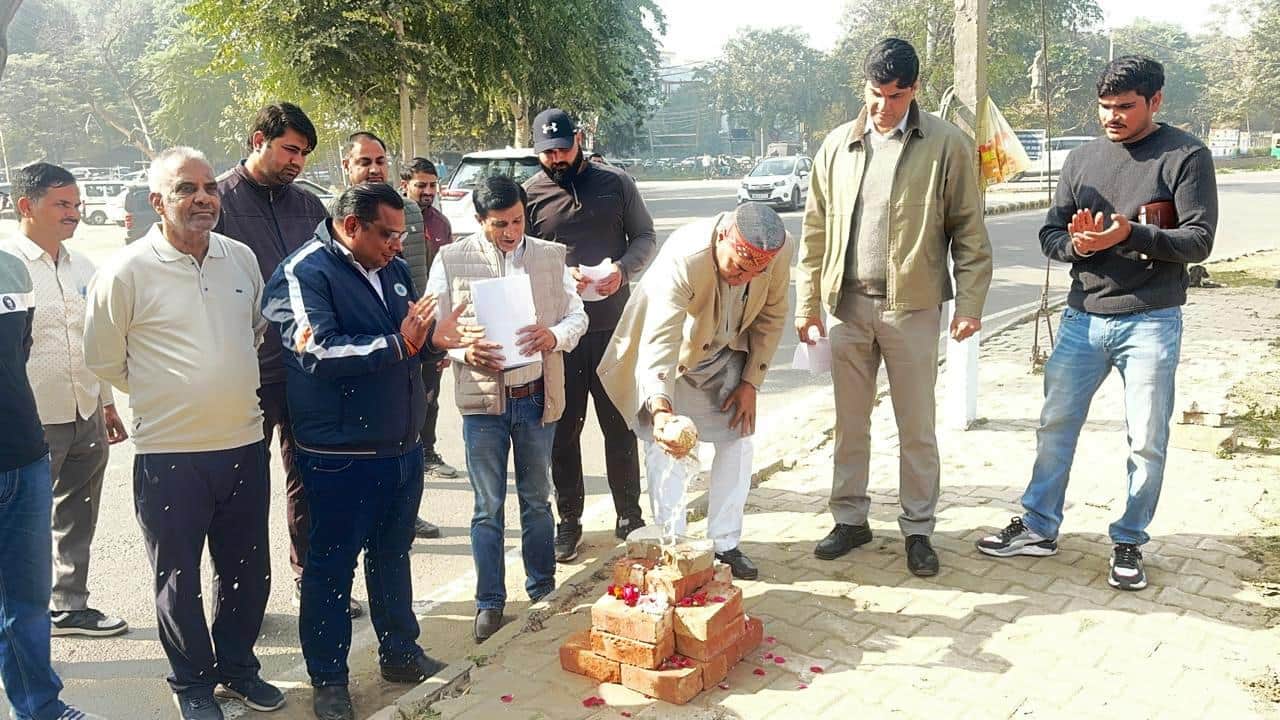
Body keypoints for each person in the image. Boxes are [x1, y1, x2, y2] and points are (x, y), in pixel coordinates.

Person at [976, 56, 1217, 591]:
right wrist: (1078, 245)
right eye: (1105, 107)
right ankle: (1039, 526)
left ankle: (1129, 538)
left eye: (1125, 107)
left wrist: (1128, 234)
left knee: (1146, 439)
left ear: (1155, 101)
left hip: (1152, 319)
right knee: (1055, 427)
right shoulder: (1082, 160)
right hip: (1083, 317)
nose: (1112, 117)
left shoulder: (1185, 155)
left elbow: (1199, 241)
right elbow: (1050, 234)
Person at [84, 147, 282, 720]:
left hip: (244, 442)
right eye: (185, 189)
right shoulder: (124, 271)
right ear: (157, 202)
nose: (202, 198)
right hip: (169, 453)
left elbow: (257, 333)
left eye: (208, 188)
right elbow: (105, 359)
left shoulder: (240, 258)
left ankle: (239, 670)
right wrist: (168, 393)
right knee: (178, 576)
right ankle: (192, 682)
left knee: (247, 570)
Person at [797, 38, 992, 577]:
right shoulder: (837, 145)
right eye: (875, 94)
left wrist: (970, 304)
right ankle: (850, 519)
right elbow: (815, 231)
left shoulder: (947, 145)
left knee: (916, 426)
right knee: (849, 423)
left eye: (896, 95)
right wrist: (807, 301)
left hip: (913, 308)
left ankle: (919, 528)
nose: (884, 106)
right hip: (847, 308)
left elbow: (970, 234)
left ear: (916, 90)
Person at [264, 183, 458, 720]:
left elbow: (410, 336)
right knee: (331, 568)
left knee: (393, 555)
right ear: (351, 227)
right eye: (388, 234)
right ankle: (329, 678)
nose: (399, 245)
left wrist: (433, 349)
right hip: (339, 454)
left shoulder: (392, 268)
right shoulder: (305, 272)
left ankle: (400, 652)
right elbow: (316, 350)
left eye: (401, 234)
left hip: (400, 446)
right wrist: (401, 345)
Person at [428, 174, 587, 642]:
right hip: (483, 404)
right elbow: (437, 329)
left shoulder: (548, 256)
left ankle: (542, 590)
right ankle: (490, 602)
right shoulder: (452, 260)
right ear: (479, 221)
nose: (511, 231)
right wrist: (462, 352)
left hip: (534, 396)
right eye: (500, 224)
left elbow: (578, 314)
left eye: (517, 220)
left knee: (537, 500)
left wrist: (553, 336)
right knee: (487, 506)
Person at [599, 203, 792, 580]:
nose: (742, 278)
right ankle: (675, 547)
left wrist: (751, 382)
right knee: (667, 448)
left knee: (739, 441)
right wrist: (661, 411)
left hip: (726, 353)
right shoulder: (685, 257)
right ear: (723, 237)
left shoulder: (777, 253)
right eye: (737, 267)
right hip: (676, 357)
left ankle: (725, 544)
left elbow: (772, 316)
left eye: (754, 273)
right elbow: (661, 338)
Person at [211, 102, 348, 616]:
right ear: (257, 140)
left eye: (305, 154)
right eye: (290, 149)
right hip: (243, 371)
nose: (297, 162)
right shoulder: (217, 202)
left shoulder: (309, 209)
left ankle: (311, 578)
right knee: (241, 489)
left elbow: (330, 275)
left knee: (309, 478)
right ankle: (244, 598)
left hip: (305, 369)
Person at [0, 164, 129, 639]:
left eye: (76, 205)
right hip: (28, 421)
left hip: (85, 411)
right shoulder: (7, 267)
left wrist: (108, 403)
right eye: (62, 204)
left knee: (79, 513)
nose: (73, 214)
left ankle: (69, 605)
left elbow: (98, 341)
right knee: (21, 527)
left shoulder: (84, 267)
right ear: (25, 206)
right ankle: (18, 625)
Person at [524, 108, 656, 561]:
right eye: (547, 153)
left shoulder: (616, 183)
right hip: (562, 335)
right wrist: (561, 277)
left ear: (579, 139)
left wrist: (621, 270)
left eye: (563, 148)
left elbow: (645, 238)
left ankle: (629, 514)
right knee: (564, 430)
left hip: (615, 327)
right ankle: (570, 522)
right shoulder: (531, 195)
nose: (556, 159)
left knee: (619, 425)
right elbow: (522, 257)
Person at [1, 243, 106, 720]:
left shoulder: (11, 270)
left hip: (23, 458)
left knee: (26, 605)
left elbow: (16, 356)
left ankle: (41, 709)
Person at [339, 134, 444, 541]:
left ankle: (405, 511)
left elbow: (416, 273)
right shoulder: (332, 221)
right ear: (347, 166)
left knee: (410, 427)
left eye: (380, 160)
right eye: (364, 161)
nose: (374, 168)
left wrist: (433, 336)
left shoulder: (409, 215)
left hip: (411, 335)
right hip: (364, 351)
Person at [399, 157, 461, 495]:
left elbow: (448, 281)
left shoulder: (441, 224)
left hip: (433, 329)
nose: (427, 192)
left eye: (432, 185)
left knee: (431, 395)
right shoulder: (392, 218)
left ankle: (428, 451)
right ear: (405, 184)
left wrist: (444, 339)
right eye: (420, 185)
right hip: (402, 326)